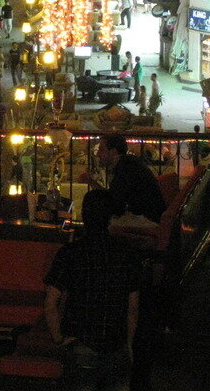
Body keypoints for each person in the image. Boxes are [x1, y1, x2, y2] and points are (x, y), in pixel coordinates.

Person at [44, 189, 141, 391]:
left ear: (84, 216)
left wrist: (59, 339)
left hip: (80, 342)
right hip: (115, 343)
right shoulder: (126, 253)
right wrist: (129, 344)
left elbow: (51, 303)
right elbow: (133, 307)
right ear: (110, 218)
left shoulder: (70, 253)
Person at [88, 134, 166, 223]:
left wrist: (91, 182)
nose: (98, 154)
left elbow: (115, 204)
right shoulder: (128, 163)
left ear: (113, 152)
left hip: (146, 219)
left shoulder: (126, 168)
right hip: (148, 215)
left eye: (101, 150)